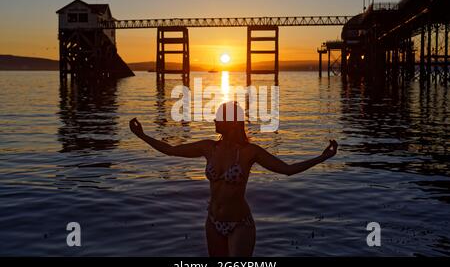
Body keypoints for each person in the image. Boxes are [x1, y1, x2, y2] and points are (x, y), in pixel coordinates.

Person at [129, 101, 338, 257]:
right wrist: (141, 135)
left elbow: (287, 169)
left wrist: (322, 157)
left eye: (219, 117)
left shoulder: (249, 152)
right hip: (212, 221)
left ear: (231, 122)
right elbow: (171, 150)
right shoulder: (208, 147)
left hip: (240, 224)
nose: (214, 120)